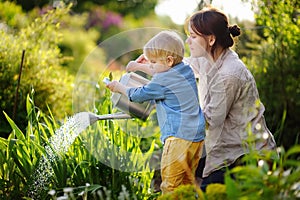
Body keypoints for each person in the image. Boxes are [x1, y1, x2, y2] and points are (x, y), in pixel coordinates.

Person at [184, 6, 277, 190]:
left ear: (211, 39)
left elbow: (210, 119)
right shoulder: (207, 58)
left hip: (248, 157)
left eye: (193, 36)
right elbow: (183, 67)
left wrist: (174, 111)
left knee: (207, 192)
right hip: (226, 148)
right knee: (184, 172)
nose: (188, 41)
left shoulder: (229, 74)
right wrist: (153, 61)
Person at [106, 30, 206, 194]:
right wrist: (139, 66)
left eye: (153, 61)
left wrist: (119, 87)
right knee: (187, 183)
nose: (150, 65)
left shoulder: (161, 81)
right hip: (196, 138)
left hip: (178, 139)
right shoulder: (185, 69)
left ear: (168, 60)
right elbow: (161, 70)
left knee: (170, 185)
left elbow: (137, 95)